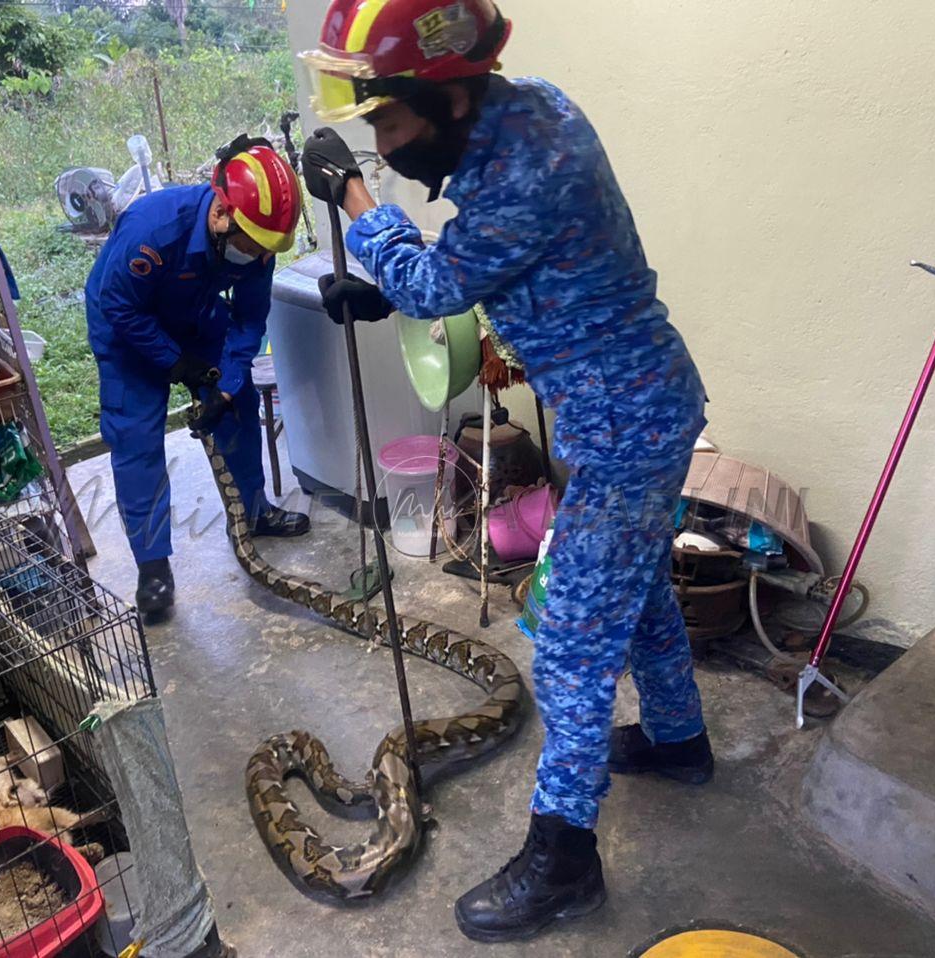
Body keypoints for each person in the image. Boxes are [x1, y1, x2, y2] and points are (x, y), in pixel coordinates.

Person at [299, 0, 713, 942]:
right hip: (626, 404)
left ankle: (563, 860)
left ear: (447, 98)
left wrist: (358, 205)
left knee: (568, 641)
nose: (384, 142)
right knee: (635, 590)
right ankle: (681, 741)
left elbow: (441, 285)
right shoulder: (534, 110)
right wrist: (385, 280)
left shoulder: (529, 168)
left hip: (624, 424)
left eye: (390, 121)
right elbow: (494, 273)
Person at [86, 136, 311, 619]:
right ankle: (152, 566)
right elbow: (119, 304)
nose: (257, 258)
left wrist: (225, 385)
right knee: (137, 439)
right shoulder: (154, 229)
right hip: (128, 325)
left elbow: (250, 320)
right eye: (251, 246)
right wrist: (173, 361)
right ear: (221, 215)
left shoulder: (258, 247)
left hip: (196, 315)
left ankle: (253, 512)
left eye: (266, 250)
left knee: (238, 407)